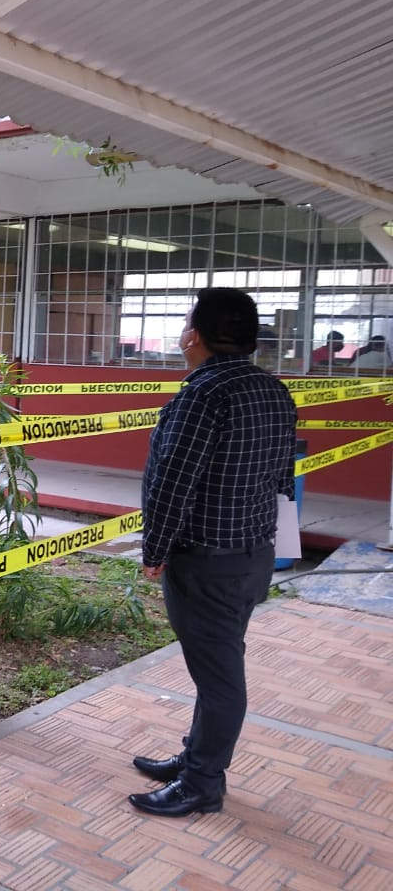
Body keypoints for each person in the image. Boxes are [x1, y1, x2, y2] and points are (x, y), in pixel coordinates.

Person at [130, 287, 297, 817]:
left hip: (206, 561)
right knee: (216, 665)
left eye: (186, 324)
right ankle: (194, 758)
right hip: (252, 555)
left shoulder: (202, 395)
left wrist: (154, 550)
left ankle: (203, 783)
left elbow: (173, 484)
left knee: (220, 678)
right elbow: (282, 478)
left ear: (194, 336)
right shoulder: (274, 391)